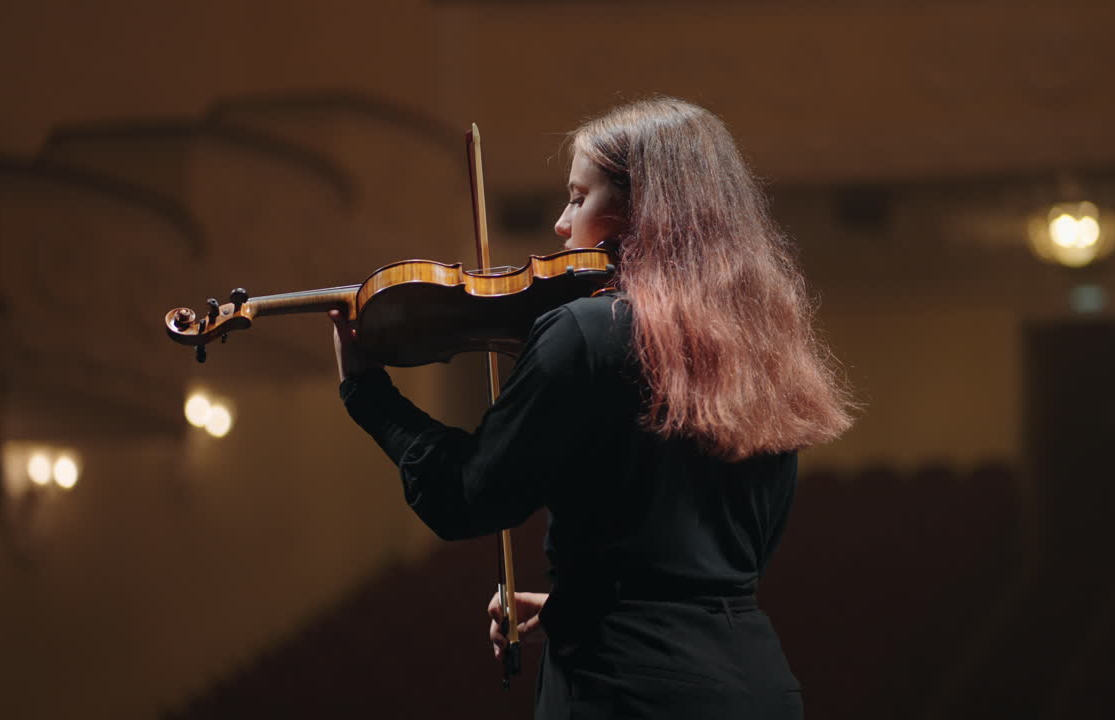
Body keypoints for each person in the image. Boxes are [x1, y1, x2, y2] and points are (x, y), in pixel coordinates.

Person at [329, 97, 853, 719]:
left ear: (642, 212)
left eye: (578, 198)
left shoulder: (583, 331)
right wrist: (570, 607)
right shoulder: (762, 349)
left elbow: (466, 495)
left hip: (626, 691)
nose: (560, 222)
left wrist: (368, 392)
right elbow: (709, 566)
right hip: (758, 686)